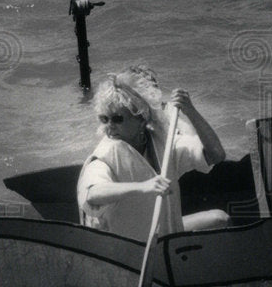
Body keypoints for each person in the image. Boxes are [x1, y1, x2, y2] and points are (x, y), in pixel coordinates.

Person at [77, 69, 229, 240]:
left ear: (142, 119)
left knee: (220, 219)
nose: (109, 126)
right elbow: (93, 193)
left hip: (163, 237)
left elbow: (215, 154)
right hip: (123, 246)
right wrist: (142, 187)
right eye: (104, 119)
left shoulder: (161, 142)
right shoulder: (105, 154)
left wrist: (191, 111)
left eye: (118, 119)